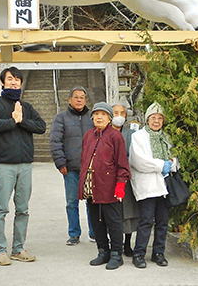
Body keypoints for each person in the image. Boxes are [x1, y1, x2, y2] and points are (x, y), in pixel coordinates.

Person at [0, 66, 47, 266]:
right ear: (3, 82)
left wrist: (22, 120)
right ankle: (1, 251)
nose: (14, 82)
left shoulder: (26, 106)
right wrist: (12, 121)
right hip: (4, 165)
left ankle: (18, 248)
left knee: (23, 209)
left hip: (25, 165)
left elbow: (41, 126)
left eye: (17, 79)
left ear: (20, 83)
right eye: (10, 78)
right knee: (1, 209)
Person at [78, 102, 131, 270]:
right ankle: (103, 251)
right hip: (91, 186)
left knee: (113, 221)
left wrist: (120, 185)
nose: (99, 117)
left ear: (110, 118)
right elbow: (84, 159)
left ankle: (117, 253)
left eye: (103, 114)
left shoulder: (115, 136)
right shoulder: (88, 135)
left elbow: (122, 163)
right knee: (96, 220)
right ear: (92, 117)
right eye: (96, 114)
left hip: (109, 186)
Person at [129, 102, 177, 269]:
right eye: (153, 117)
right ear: (147, 119)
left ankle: (158, 252)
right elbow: (139, 161)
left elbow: (174, 157)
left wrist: (171, 163)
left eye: (160, 118)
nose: (157, 121)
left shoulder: (166, 137)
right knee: (146, 220)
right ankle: (139, 253)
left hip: (164, 186)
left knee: (163, 221)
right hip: (148, 186)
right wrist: (161, 165)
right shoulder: (138, 137)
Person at [50, 86, 95, 245]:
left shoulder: (92, 117)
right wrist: (60, 162)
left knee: (92, 202)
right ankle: (74, 233)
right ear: (69, 100)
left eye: (82, 97)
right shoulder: (61, 118)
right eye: (76, 97)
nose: (79, 100)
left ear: (86, 100)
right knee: (71, 202)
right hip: (71, 168)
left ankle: (94, 232)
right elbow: (55, 142)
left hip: (90, 168)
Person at [111, 102, 139, 256]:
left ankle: (127, 243)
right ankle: (114, 243)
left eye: (122, 113)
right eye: (116, 113)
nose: (119, 116)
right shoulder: (105, 132)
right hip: (109, 177)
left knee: (128, 212)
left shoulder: (132, 133)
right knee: (112, 212)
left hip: (126, 176)